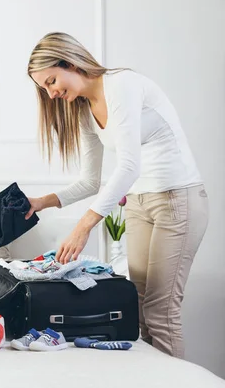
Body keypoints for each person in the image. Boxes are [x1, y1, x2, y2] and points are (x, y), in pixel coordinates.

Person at [23, 32, 209, 359]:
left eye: (51, 81)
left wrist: (83, 228)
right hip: (138, 205)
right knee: (136, 304)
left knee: (161, 311)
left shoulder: (121, 84)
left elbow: (128, 166)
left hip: (177, 201)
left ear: (69, 62)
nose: (51, 93)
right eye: (45, 89)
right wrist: (42, 202)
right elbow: (89, 182)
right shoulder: (82, 110)